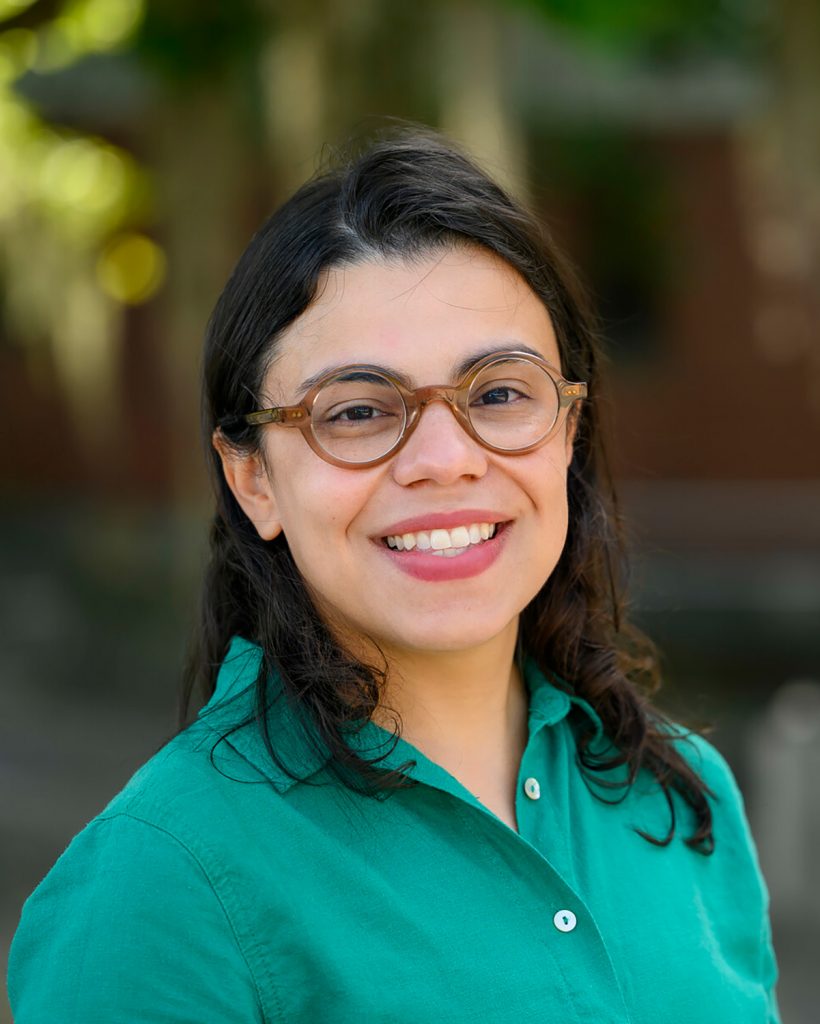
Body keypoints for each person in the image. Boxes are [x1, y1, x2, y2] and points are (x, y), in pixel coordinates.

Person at [8, 129, 779, 1022]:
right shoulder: (163, 882)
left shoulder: (682, 794)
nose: (445, 460)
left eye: (498, 393)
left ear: (569, 431)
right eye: (361, 411)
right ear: (253, 479)